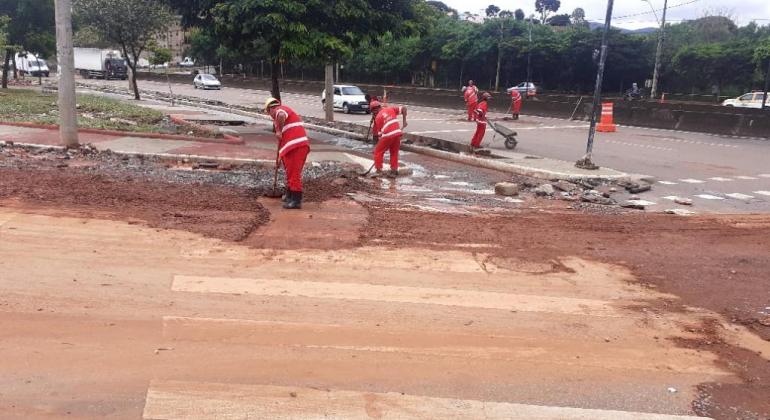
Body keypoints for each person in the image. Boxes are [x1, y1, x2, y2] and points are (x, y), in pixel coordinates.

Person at [264, 97, 310, 209]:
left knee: (293, 173)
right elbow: (282, 140)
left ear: (270, 108)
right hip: (292, 147)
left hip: (296, 146)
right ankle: (290, 195)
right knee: (290, 172)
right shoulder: (280, 116)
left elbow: (281, 115)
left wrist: (278, 131)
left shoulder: (280, 110)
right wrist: (281, 157)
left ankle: (296, 200)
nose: (270, 115)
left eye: (268, 112)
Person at [370, 99, 408, 178]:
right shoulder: (390, 109)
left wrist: (380, 145)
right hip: (397, 134)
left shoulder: (378, 118)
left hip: (388, 135)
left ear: (374, 110)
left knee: (378, 152)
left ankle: (378, 171)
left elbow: (380, 134)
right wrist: (404, 121)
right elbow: (404, 108)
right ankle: (394, 171)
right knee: (394, 152)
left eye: (372, 112)